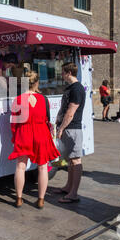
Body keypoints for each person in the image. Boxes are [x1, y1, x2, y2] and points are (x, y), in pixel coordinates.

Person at [8, 71, 61, 209]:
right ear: (37, 83)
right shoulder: (44, 99)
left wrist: (15, 137)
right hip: (41, 133)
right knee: (43, 167)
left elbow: (14, 123)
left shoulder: (18, 99)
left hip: (23, 133)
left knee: (20, 167)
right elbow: (47, 119)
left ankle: (19, 199)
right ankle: (41, 200)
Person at [53, 62, 86, 203]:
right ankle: (68, 187)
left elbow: (71, 112)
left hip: (72, 128)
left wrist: (61, 128)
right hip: (68, 128)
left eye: (63, 72)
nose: (61, 75)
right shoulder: (71, 88)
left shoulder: (77, 89)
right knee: (70, 160)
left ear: (68, 73)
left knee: (75, 160)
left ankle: (73, 194)